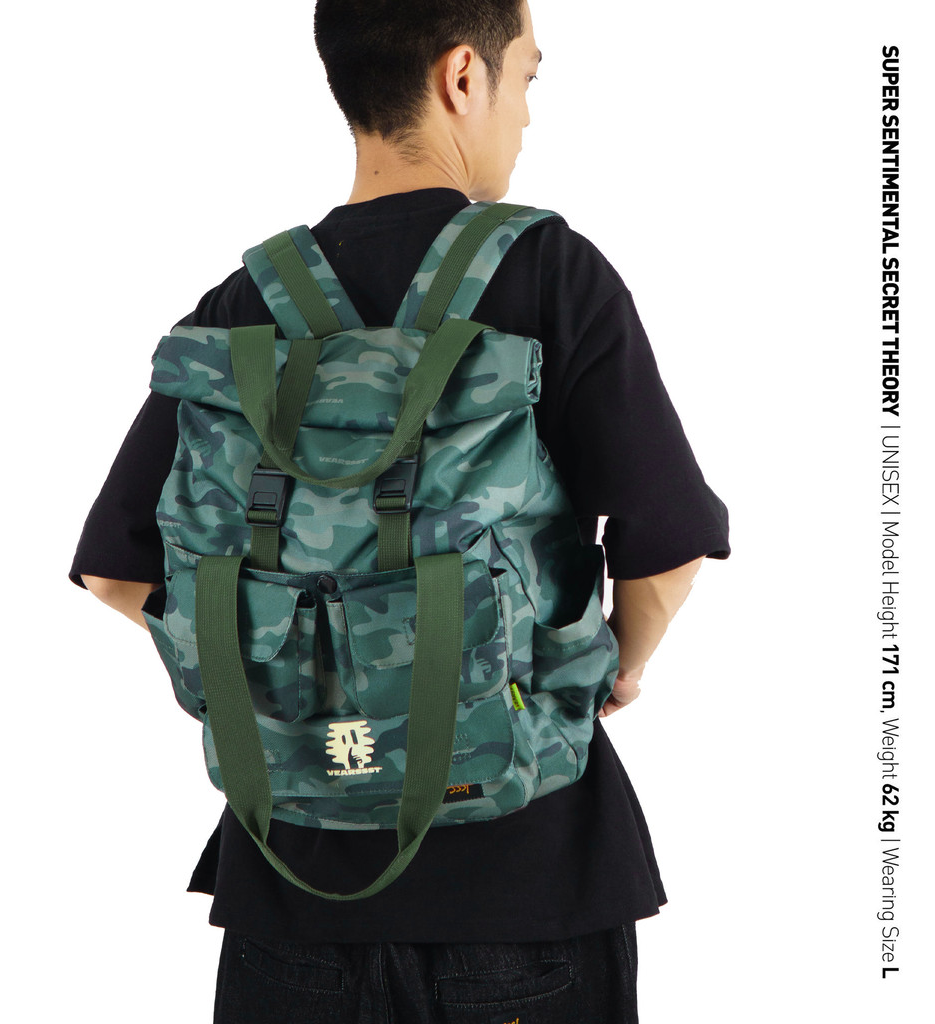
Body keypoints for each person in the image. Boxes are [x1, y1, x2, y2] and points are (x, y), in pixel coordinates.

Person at [70, 1, 730, 1020]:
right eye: (527, 78)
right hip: (526, 883)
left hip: (288, 894)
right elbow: (668, 543)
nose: (526, 114)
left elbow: (116, 571)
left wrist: (279, 670)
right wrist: (601, 668)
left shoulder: (245, 305)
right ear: (463, 76)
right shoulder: (551, 273)